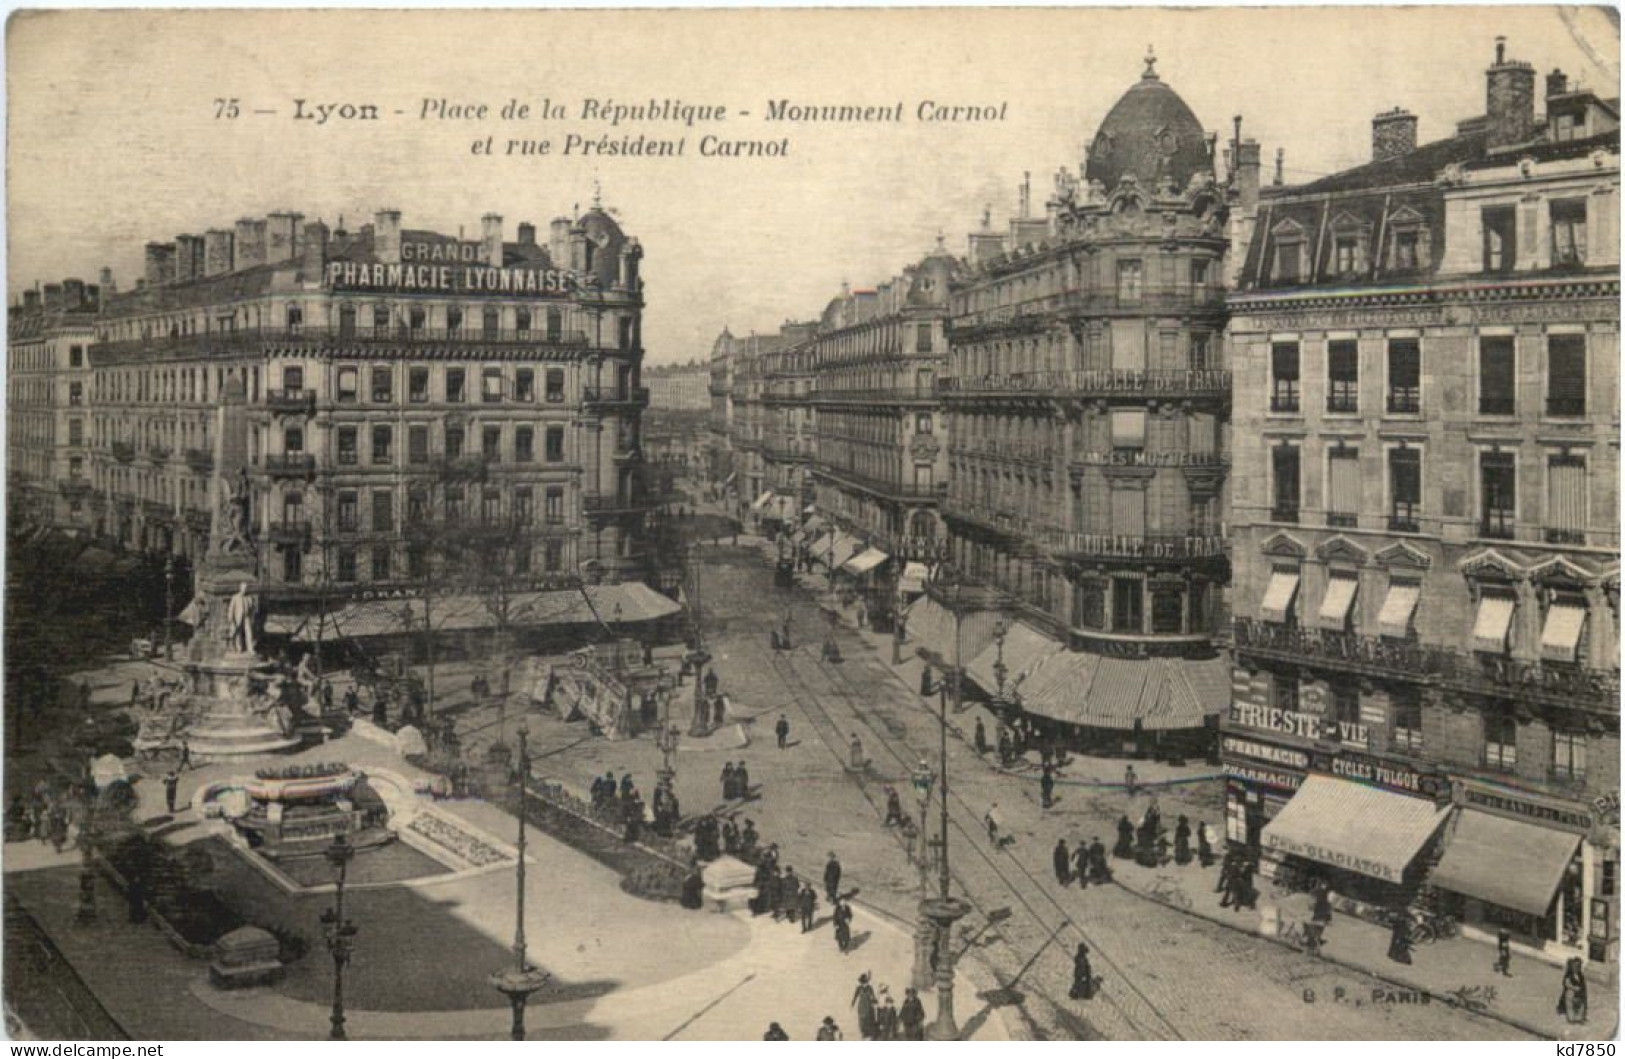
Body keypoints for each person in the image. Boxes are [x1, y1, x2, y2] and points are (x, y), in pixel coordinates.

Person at [1558, 956, 1587, 1024]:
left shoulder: (1580, 975)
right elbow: (1566, 983)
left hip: (1579, 993)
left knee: (1581, 1004)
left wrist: (1581, 990)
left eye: (1579, 966)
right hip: (1571, 992)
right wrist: (1574, 988)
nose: (1577, 968)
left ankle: (1579, 1018)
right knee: (1569, 1001)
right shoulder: (1569, 974)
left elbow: (1583, 984)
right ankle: (1571, 1018)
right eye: (1575, 966)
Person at [852, 973, 878, 1040]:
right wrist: (852, 1004)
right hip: (861, 1006)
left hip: (869, 1006)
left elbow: (873, 996)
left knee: (869, 1019)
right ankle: (864, 1033)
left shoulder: (870, 988)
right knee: (862, 1020)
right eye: (863, 982)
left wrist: (875, 1001)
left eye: (865, 982)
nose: (864, 983)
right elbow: (855, 997)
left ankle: (869, 1034)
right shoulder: (858, 988)